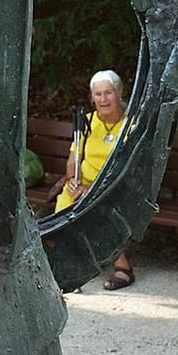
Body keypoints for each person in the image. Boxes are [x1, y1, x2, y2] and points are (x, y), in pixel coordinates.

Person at [53, 70, 133, 290]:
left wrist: (92, 189)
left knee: (98, 205)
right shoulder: (87, 122)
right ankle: (72, 269)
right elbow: (73, 161)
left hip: (114, 186)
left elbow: (128, 169)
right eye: (98, 94)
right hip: (83, 184)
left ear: (119, 94)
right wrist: (74, 180)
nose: (103, 99)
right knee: (64, 207)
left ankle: (123, 267)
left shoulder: (131, 125)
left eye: (108, 93)